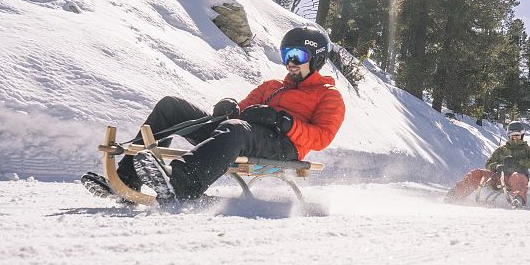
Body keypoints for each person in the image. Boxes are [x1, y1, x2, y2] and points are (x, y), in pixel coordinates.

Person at [83, 27, 345, 203]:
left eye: (298, 55)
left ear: (317, 59)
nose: (291, 62)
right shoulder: (271, 87)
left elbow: (322, 137)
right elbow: (240, 112)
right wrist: (229, 106)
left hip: (282, 146)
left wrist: (283, 122)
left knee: (236, 129)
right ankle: (128, 180)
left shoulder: (328, 95)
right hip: (241, 134)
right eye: (286, 55)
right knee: (171, 106)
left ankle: (183, 184)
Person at [445, 121, 530, 207]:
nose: (515, 137)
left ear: (522, 135)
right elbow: (489, 163)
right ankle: (454, 195)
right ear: (509, 135)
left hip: (516, 178)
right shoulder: (502, 149)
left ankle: (518, 200)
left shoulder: (527, 150)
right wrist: (496, 166)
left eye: (517, 135)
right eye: (512, 135)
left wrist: (519, 162)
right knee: (477, 173)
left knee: (517, 178)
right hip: (499, 177)